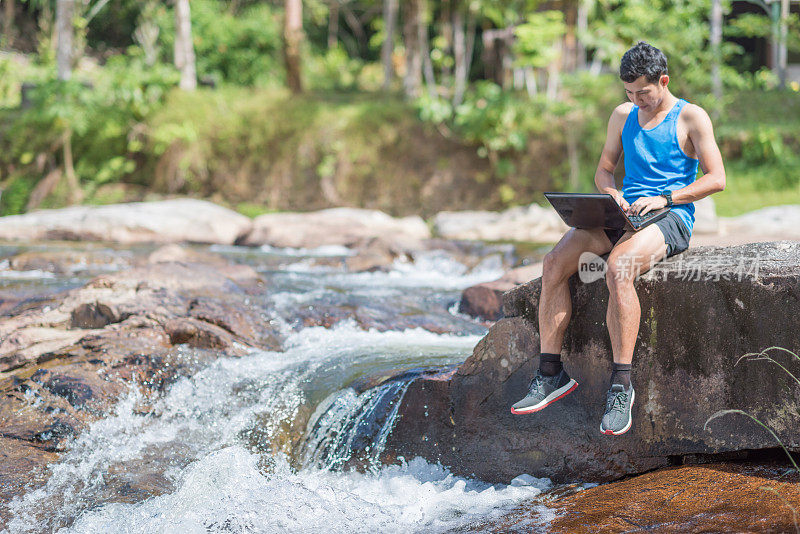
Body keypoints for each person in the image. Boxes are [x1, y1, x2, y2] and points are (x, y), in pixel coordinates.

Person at [510, 41, 726, 435]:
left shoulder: (691, 117)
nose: (636, 100)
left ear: (663, 81)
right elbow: (605, 171)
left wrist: (664, 197)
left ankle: (621, 385)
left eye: (643, 92)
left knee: (618, 268)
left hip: (671, 215)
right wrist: (613, 196)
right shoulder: (623, 115)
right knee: (555, 262)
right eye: (629, 93)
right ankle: (550, 373)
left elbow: (717, 179)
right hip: (622, 214)